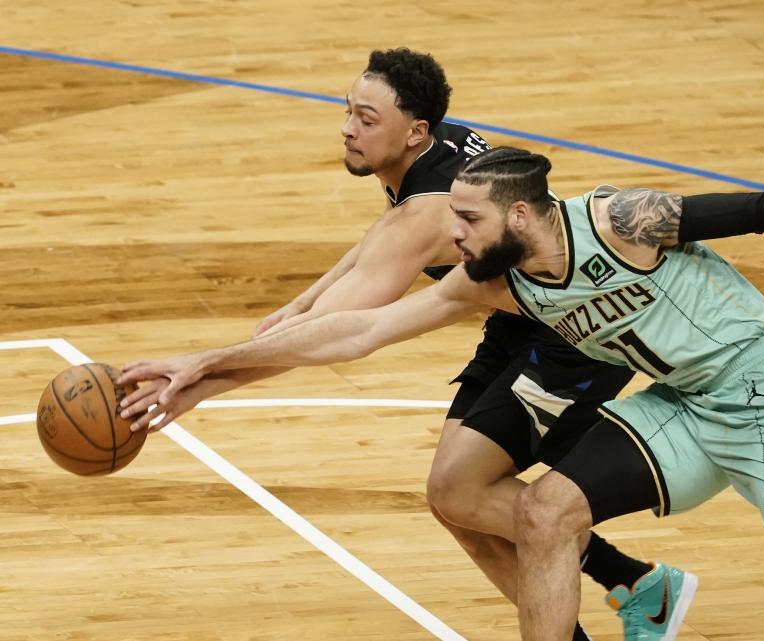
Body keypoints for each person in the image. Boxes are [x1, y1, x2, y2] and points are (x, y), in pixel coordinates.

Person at [119, 146, 764, 641]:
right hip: (686, 405)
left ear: (520, 218)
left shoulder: (622, 221)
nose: (453, 239)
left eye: (468, 223)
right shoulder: (497, 283)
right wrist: (207, 364)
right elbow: (356, 331)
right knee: (545, 511)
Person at [121, 49, 677, 641]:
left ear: (414, 131)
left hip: (576, 336)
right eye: (347, 112)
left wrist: (201, 375)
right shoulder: (444, 147)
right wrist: (299, 304)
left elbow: (336, 333)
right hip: (514, 325)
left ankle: (634, 587)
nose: (347, 128)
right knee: (453, 503)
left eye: (366, 118)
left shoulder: (427, 212)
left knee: (460, 491)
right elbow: (376, 247)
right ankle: (637, 586)